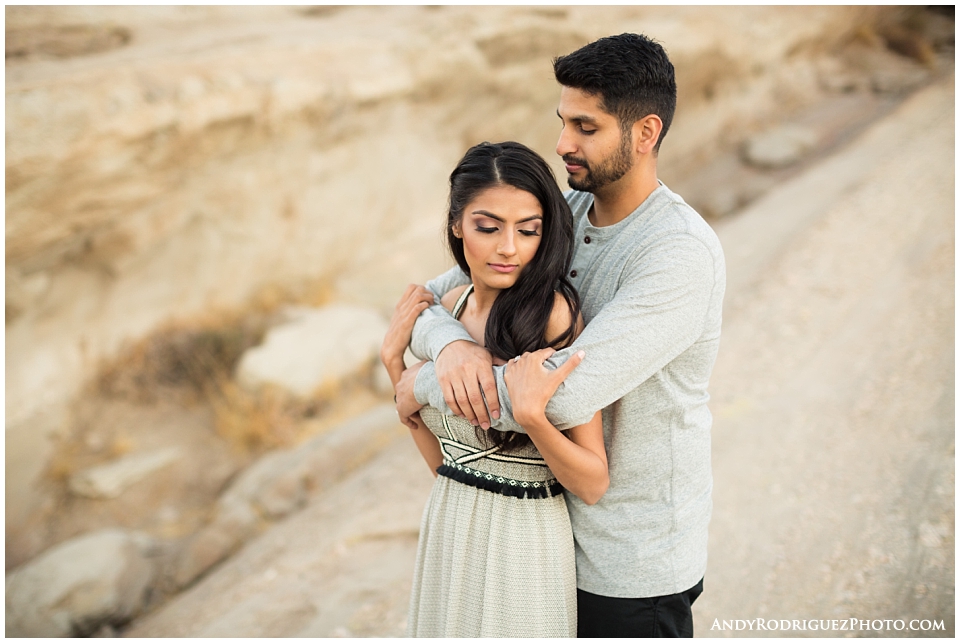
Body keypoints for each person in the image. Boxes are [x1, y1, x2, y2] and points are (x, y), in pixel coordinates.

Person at [395, 33, 726, 637]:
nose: (562, 143)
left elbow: (565, 394)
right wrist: (451, 345)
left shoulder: (678, 254)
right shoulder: (566, 210)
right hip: (543, 536)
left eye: (585, 127)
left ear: (645, 133)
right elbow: (433, 293)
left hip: (630, 563)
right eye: (562, 121)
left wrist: (423, 383)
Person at [379, 141, 609, 637]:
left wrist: (532, 420)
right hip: (449, 524)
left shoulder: (552, 315)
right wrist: (395, 368)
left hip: (523, 543)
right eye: (488, 227)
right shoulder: (453, 306)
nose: (509, 247)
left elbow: (592, 482)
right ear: (457, 224)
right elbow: (447, 466)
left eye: (528, 231)